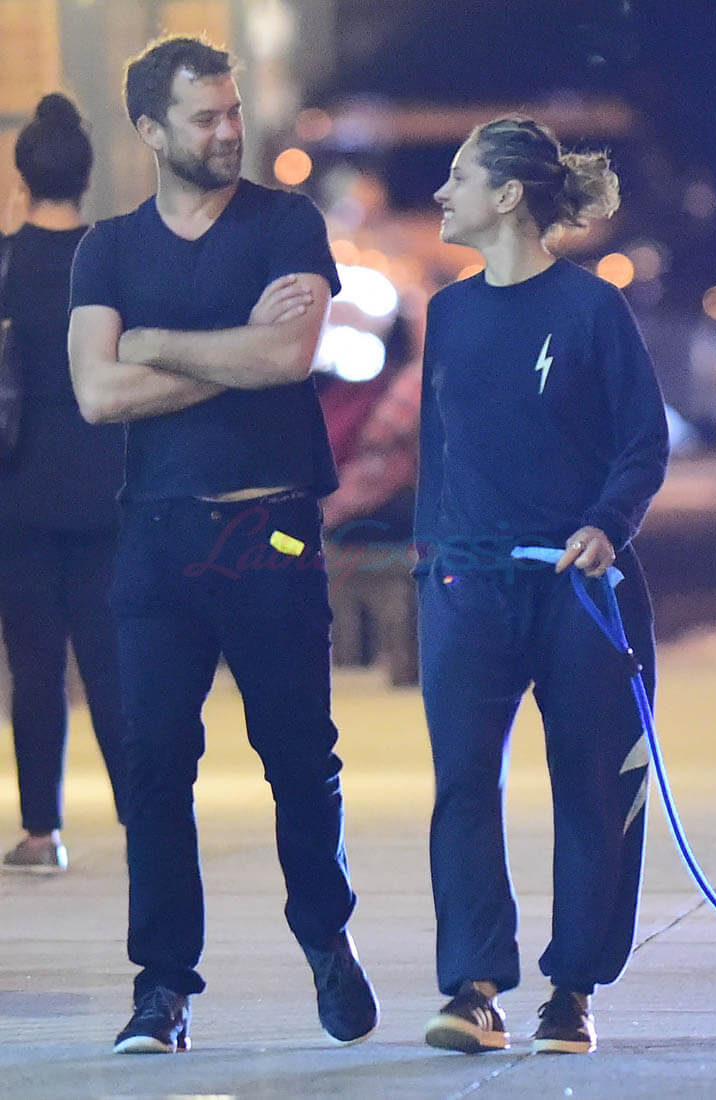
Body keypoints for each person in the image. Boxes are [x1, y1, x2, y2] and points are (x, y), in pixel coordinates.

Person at [68, 35, 378, 1054]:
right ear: (150, 131)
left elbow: (289, 354)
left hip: (269, 526)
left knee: (298, 754)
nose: (228, 131)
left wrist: (156, 343)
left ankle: (324, 933)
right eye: (204, 117)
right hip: (156, 534)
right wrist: (231, 354)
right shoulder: (109, 249)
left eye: (232, 111)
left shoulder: (286, 224)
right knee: (154, 764)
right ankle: (162, 984)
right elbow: (95, 390)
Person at [414, 118, 669, 1056]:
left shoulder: (592, 309)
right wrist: (429, 565)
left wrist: (605, 526)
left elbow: (643, 441)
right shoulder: (448, 312)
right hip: (466, 587)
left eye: (457, 177)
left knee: (592, 789)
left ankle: (572, 990)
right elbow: (437, 454)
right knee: (461, 785)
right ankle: (472, 988)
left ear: (507, 195)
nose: (441, 194)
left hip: (579, 589)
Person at [0, 94, 127, 874]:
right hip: (106, 485)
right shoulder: (111, 258)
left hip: (16, 489)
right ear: (86, 178)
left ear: (21, 179)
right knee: (113, 662)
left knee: (35, 667)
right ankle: (143, 815)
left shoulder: (5, 262)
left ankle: (41, 832)